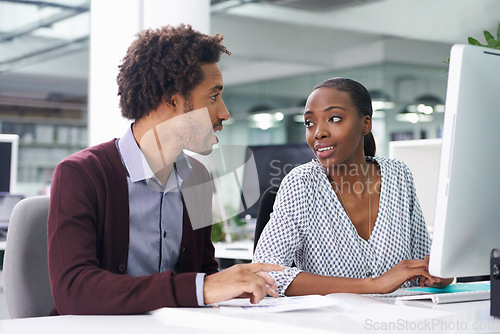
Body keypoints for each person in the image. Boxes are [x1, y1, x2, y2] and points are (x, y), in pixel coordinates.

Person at [48, 24, 282, 315]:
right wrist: (203, 288)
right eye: (213, 97)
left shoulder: (197, 176)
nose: (224, 113)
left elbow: (204, 271)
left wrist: (237, 287)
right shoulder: (81, 175)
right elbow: (73, 290)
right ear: (171, 99)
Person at [253, 77, 452, 296]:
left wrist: (435, 273)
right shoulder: (301, 184)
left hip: (401, 323)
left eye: (334, 118)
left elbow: (422, 262)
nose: (318, 132)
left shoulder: (398, 175)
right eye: (310, 123)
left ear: (365, 124)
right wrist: (375, 285)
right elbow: (263, 274)